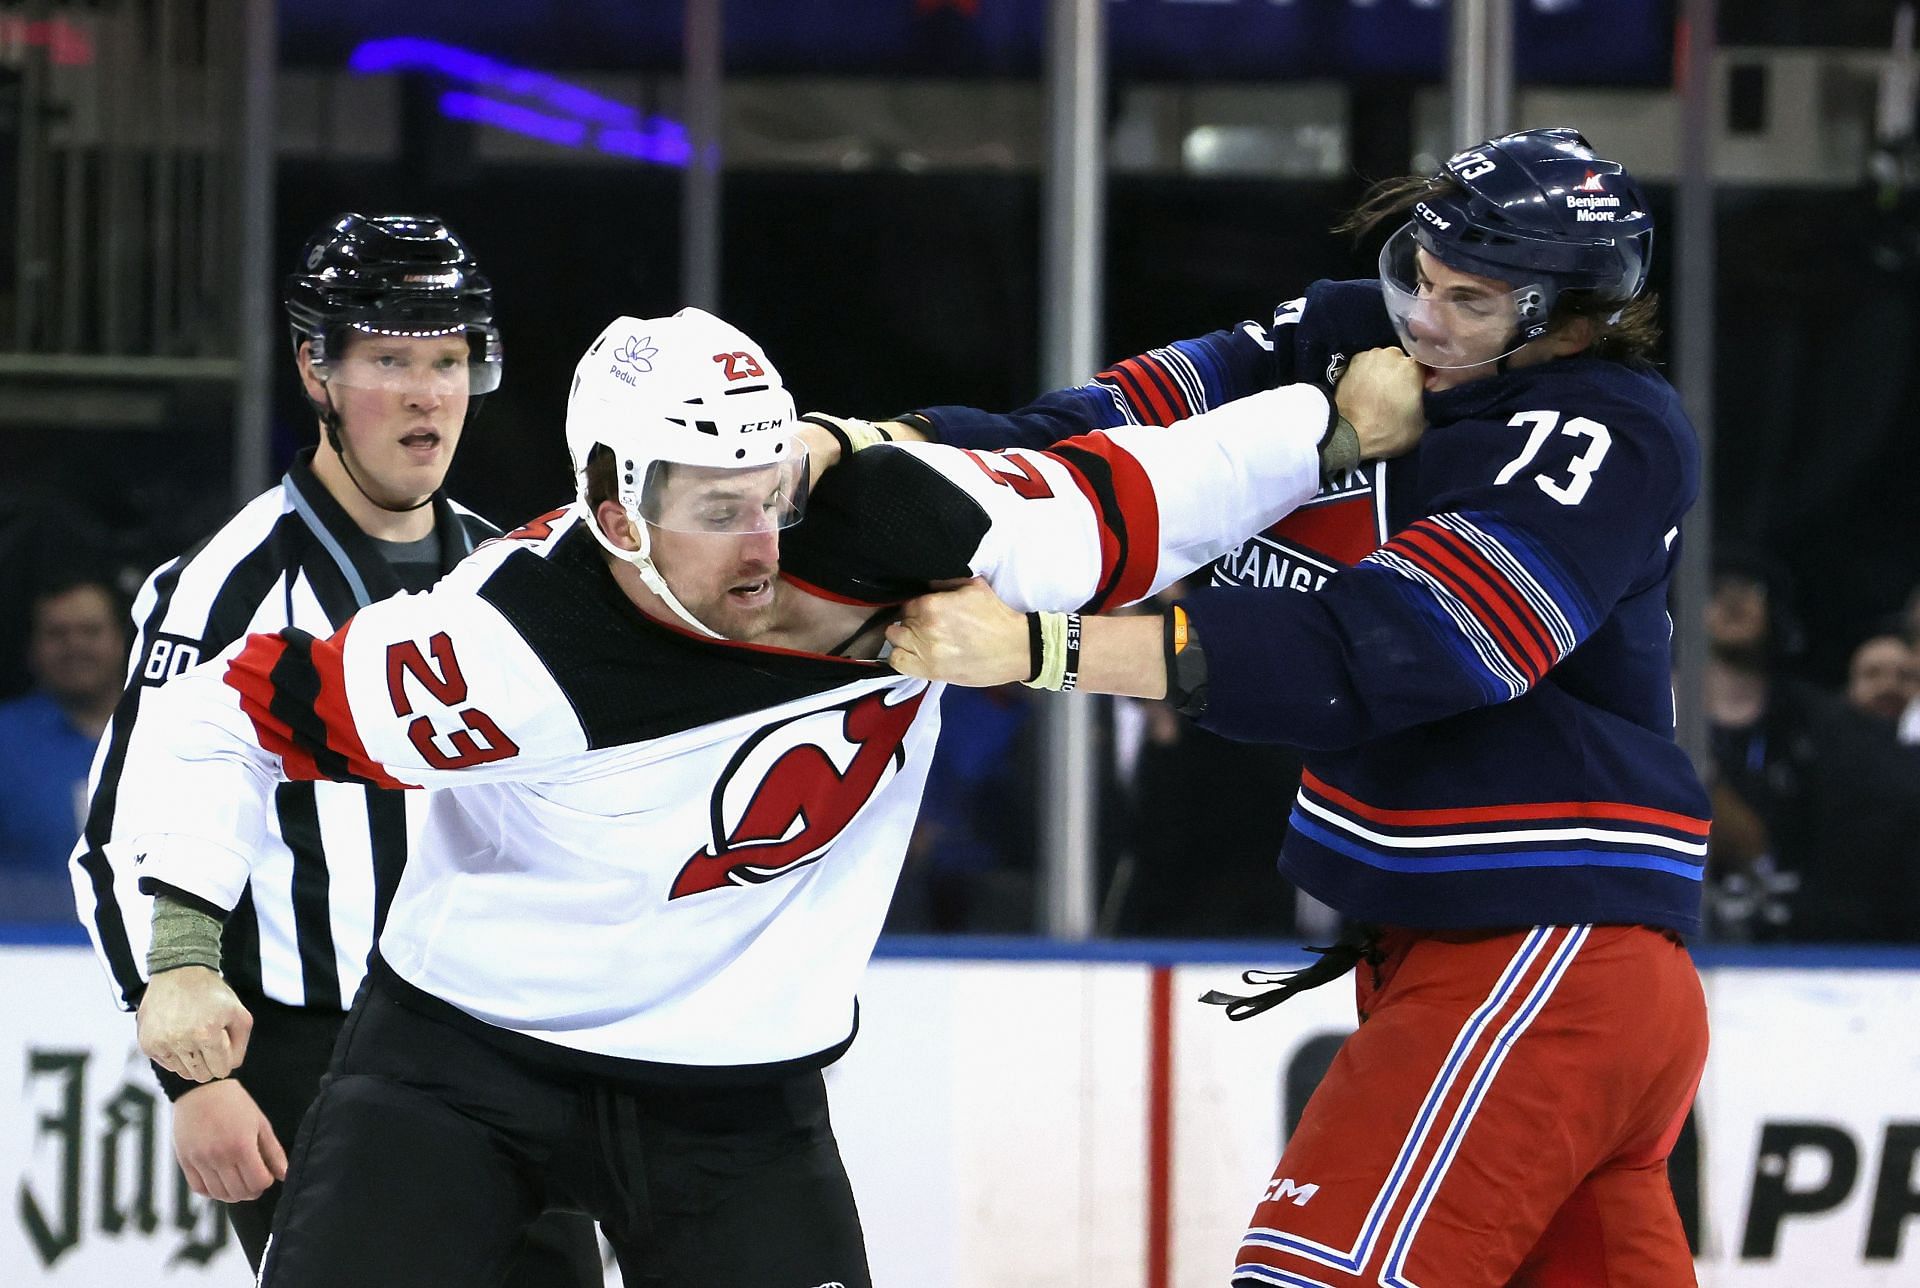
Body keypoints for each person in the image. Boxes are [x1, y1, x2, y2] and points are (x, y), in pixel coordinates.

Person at [118, 305, 1424, 1287]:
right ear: (612, 504)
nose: (759, 546)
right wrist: (182, 950)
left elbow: (1139, 493)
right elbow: (221, 712)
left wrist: (1335, 427)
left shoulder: (910, 520)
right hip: (459, 1075)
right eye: (712, 509)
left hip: (735, 1108)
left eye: (771, 497)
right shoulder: (498, 651)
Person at [879, 128, 1713, 1284]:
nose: (1423, 315)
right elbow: (1113, 427)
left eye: (1470, 299)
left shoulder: (1598, 432)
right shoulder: (1347, 333)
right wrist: (885, 448)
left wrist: (1039, 648)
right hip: (1496, 955)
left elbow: (1398, 649)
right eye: (1415, 272)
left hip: (1540, 951)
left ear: (1571, 317)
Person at [66, 212, 599, 1282]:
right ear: (315, 368)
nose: (427, 394)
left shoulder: (513, 575)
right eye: (391, 360)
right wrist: (196, 1081)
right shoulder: (227, 584)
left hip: (500, 1044)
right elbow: (121, 838)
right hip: (314, 1055)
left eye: (449, 360)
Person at [1703, 559, 1920, 942]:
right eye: (1716, 590)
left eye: (1753, 589)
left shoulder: (1817, 725)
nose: (1734, 601)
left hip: (1810, 943)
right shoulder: (1649, 716)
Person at [0, 573, 127, 918]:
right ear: (32, 649)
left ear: (121, 640)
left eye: (90, 631)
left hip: (155, 951)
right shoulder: (5, 740)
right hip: (26, 953)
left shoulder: (168, 732)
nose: (75, 646)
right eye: (57, 634)